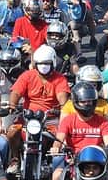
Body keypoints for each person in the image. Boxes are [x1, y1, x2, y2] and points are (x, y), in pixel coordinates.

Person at [6, 45, 70, 173]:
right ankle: (15, 159)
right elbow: (16, 92)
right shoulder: (27, 76)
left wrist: (63, 109)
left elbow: (63, 98)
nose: (44, 66)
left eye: (47, 63)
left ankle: (57, 165)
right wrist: (12, 105)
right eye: (41, 63)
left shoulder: (60, 79)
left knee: (62, 138)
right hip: (28, 118)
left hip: (50, 120)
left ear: (53, 62)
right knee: (12, 132)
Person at [50, 83, 108, 180]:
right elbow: (59, 139)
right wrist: (56, 147)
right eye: (84, 102)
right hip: (73, 160)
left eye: (90, 101)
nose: (87, 104)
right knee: (56, 177)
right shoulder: (68, 120)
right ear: (76, 102)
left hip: (96, 161)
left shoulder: (102, 122)